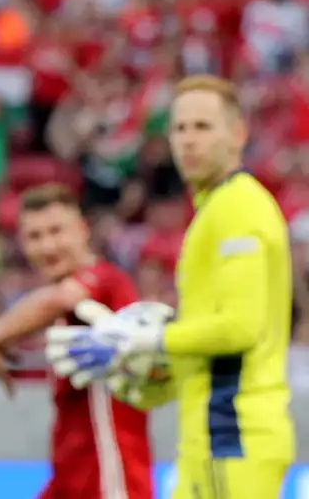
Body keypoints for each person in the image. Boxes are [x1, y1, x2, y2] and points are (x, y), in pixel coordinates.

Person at [49, 75, 295, 498]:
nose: (189, 141)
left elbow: (240, 329)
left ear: (237, 133)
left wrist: (141, 341)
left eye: (203, 127)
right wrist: (151, 372)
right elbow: (209, 338)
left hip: (231, 434)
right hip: (213, 436)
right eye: (180, 128)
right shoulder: (215, 208)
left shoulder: (239, 207)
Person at [0, 184, 153, 499]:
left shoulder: (105, 281)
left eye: (57, 231)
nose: (48, 245)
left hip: (111, 478)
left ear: (83, 230)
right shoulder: (62, 307)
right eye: (35, 236)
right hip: (69, 479)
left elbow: (61, 298)